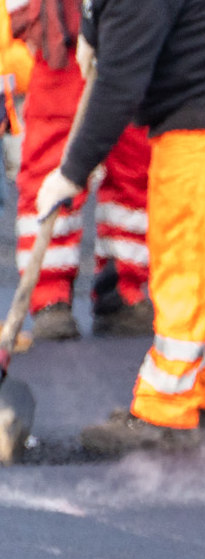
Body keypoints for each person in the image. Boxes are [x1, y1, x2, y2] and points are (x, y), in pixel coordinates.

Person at [37, 0, 205, 454]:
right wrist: (89, 27)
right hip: (197, 101)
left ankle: (167, 411)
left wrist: (70, 172)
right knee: (174, 252)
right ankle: (197, 394)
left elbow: (119, 87)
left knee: (186, 257)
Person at [8, 0, 153, 345]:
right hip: (62, 43)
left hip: (130, 41)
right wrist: (27, 19)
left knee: (136, 166)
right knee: (51, 168)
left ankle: (122, 286)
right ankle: (48, 296)